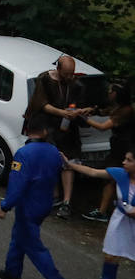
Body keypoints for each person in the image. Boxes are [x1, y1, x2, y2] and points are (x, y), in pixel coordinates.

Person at [0, 120, 71, 279]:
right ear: (44, 131)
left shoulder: (24, 153)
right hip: (44, 203)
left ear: (28, 131)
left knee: (33, 245)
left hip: (28, 205)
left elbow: (17, 185)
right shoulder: (54, 151)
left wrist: (5, 206)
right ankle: (12, 272)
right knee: (19, 235)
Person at [23, 55, 94, 219]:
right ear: (58, 69)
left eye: (72, 74)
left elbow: (82, 103)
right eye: (67, 74)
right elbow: (42, 104)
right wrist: (62, 113)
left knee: (68, 162)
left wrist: (81, 111)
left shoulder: (75, 84)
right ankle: (54, 195)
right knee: (50, 160)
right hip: (48, 126)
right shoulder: (45, 79)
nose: (70, 77)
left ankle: (66, 202)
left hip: (68, 129)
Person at [64, 151, 135, 279]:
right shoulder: (121, 174)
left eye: (129, 160)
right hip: (121, 221)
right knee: (111, 255)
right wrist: (70, 165)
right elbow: (93, 172)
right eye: (124, 158)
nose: (124, 162)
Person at [82, 83, 134, 223]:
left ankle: (102, 211)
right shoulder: (118, 106)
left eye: (111, 91)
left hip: (123, 149)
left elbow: (103, 127)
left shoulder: (126, 110)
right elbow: (104, 111)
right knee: (113, 178)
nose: (108, 93)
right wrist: (91, 110)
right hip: (118, 147)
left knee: (111, 177)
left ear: (117, 94)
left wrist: (85, 119)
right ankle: (108, 208)